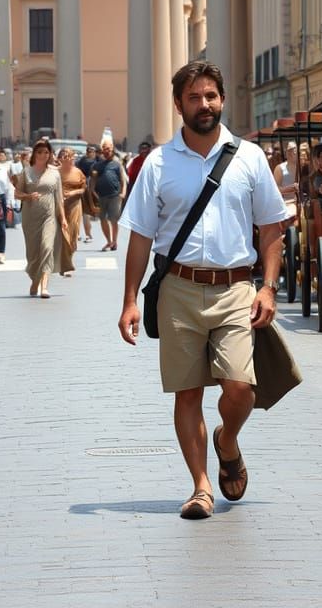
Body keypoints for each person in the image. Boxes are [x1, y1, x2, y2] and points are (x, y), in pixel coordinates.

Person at [118, 60, 288, 520]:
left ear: (222, 100)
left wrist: (268, 289)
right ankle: (200, 487)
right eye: (194, 97)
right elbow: (140, 235)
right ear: (179, 105)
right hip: (178, 288)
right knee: (187, 392)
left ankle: (226, 439)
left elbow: (271, 228)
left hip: (236, 289)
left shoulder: (249, 157)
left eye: (210, 95)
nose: (204, 104)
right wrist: (131, 300)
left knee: (239, 387)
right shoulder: (158, 163)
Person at [14, 138, 67, 297]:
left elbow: (59, 197)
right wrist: (28, 196)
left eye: (46, 152)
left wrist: (63, 218)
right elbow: (17, 193)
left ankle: (44, 286)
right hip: (30, 218)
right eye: (40, 152)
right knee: (33, 254)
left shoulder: (54, 173)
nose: (43, 155)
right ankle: (35, 281)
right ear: (34, 154)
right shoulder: (26, 172)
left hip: (49, 216)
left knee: (47, 247)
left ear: (50, 154)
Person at [91, 139, 127, 251]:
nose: (107, 151)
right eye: (105, 149)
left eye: (109, 148)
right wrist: (93, 192)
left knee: (114, 219)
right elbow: (93, 181)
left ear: (112, 150)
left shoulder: (117, 164)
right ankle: (109, 241)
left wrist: (123, 193)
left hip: (115, 196)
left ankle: (114, 242)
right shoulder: (97, 165)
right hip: (102, 196)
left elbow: (123, 180)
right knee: (102, 219)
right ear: (102, 150)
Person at [57, 148, 87, 276]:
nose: (68, 158)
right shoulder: (55, 172)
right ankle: (65, 263)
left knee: (73, 233)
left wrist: (73, 192)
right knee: (63, 234)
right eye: (64, 156)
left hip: (74, 205)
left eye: (70, 156)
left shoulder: (78, 172)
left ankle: (68, 260)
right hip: (60, 205)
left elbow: (83, 189)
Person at [75, 144, 99, 243]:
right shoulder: (81, 161)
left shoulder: (98, 162)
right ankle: (77, 234)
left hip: (92, 189)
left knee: (86, 213)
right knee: (78, 212)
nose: (90, 153)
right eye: (89, 151)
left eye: (92, 151)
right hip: (81, 187)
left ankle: (88, 235)